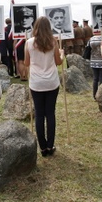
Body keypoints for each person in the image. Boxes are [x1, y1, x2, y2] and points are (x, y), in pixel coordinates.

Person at [25, 17, 63, 157]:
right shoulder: (53, 42)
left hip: (36, 83)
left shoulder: (28, 43)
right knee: (50, 113)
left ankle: (42, 147)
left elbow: (27, 62)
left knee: (39, 114)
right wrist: (62, 55)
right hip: (51, 82)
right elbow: (58, 62)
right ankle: (50, 145)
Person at [84, 35, 102, 99]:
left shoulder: (91, 39)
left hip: (94, 60)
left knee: (95, 79)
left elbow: (88, 48)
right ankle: (101, 95)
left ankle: (95, 95)